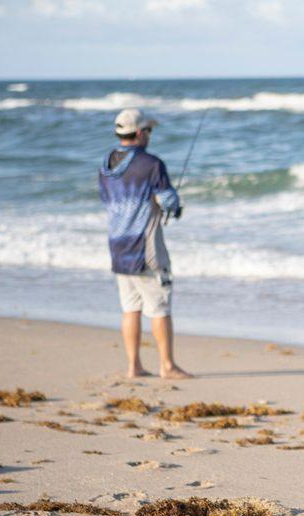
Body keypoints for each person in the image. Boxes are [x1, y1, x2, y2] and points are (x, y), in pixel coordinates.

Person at [99, 108, 192, 379]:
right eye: (149, 130)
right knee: (160, 307)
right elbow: (169, 201)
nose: (150, 135)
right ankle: (167, 366)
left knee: (130, 308)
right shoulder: (152, 164)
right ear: (140, 133)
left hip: (118, 245)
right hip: (146, 248)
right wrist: (174, 208)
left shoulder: (106, 165)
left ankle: (134, 366)